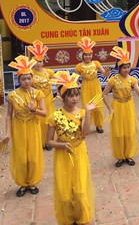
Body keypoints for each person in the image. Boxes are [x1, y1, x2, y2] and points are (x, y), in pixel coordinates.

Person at [47, 71, 95, 225]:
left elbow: (86, 132)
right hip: (62, 156)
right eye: (70, 95)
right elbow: (48, 141)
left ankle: (81, 218)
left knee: (80, 192)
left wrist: (88, 113)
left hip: (79, 153)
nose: (75, 98)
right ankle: (68, 219)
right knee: (65, 193)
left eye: (76, 94)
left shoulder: (81, 113)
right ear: (62, 97)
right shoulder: (54, 116)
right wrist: (61, 145)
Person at [2, 56, 46, 197]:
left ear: (32, 78)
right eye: (23, 79)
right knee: (21, 157)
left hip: (33, 127)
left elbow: (45, 113)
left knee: (33, 156)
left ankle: (32, 181)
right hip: (19, 128)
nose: (27, 81)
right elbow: (9, 115)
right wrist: (8, 133)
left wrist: (34, 110)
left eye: (29, 78)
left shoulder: (38, 93)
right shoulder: (13, 95)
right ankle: (22, 183)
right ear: (18, 80)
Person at [102, 46, 139, 167]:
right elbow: (104, 94)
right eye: (124, 68)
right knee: (118, 133)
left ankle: (128, 155)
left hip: (128, 107)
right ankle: (119, 156)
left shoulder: (132, 80)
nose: (126, 70)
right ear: (119, 68)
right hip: (117, 107)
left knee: (128, 131)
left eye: (128, 67)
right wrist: (110, 108)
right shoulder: (113, 80)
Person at [75, 37, 110, 133]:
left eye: (89, 55)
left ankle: (99, 125)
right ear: (83, 55)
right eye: (86, 55)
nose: (88, 57)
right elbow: (76, 79)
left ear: (92, 55)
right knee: (86, 107)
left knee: (98, 107)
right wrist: (75, 89)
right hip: (85, 86)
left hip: (95, 85)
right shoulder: (79, 66)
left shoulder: (96, 63)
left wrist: (107, 71)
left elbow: (105, 74)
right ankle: (86, 126)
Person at [28, 40, 55, 150]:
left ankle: (49, 141)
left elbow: (59, 83)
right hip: (36, 100)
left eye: (40, 61)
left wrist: (61, 94)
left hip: (48, 98)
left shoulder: (49, 72)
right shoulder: (29, 73)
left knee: (49, 120)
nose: (38, 63)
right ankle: (39, 141)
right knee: (38, 120)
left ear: (43, 61)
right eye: (35, 61)